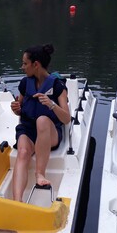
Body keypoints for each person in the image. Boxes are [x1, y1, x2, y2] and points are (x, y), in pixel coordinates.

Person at [10, 44, 70, 202]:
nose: (22, 67)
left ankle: (39, 174)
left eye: (25, 63)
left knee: (42, 120)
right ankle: (17, 202)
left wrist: (51, 104)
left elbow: (66, 118)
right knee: (22, 153)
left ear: (35, 64)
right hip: (28, 130)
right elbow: (20, 108)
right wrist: (16, 108)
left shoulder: (58, 86)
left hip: (50, 133)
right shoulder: (25, 83)